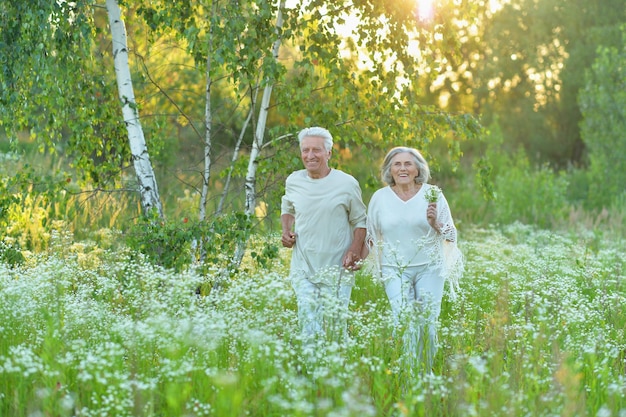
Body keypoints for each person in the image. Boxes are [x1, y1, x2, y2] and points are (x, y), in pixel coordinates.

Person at [366, 146, 463, 373]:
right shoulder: (379, 198)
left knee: (428, 325)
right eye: (397, 164)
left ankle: (427, 375)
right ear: (389, 169)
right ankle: (411, 377)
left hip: (430, 268)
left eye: (408, 164)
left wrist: (435, 224)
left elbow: (451, 234)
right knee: (405, 324)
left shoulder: (433, 194)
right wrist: (355, 257)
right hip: (394, 269)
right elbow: (370, 236)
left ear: (417, 169)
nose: (402, 168)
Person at [281, 126, 367, 346]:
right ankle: (312, 372)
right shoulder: (293, 180)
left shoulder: (347, 183)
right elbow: (288, 207)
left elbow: (360, 221)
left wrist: (355, 250)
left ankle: (336, 373)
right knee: (309, 326)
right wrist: (286, 231)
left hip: (337, 268)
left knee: (336, 331)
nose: (310, 156)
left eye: (316, 150)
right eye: (305, 150)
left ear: (329, 153)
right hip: (304, 267)